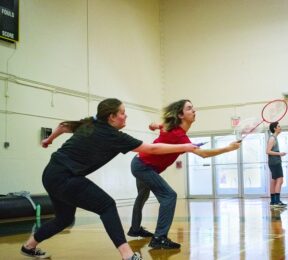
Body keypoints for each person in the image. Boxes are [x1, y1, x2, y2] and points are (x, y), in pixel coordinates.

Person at [20, 98, 198, 260]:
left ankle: (29, 246)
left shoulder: (90, 124)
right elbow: (152, 149)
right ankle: (128, 255)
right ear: (112, 117)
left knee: (63, 219)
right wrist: (186, 146)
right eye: (122, 113)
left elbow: (64, 126)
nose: (125, 115)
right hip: (66, 177)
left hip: (50, 174)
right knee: (107, 205)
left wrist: (48, 140)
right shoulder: (114, 136)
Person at [127, 99, 241, 249]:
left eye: (193, 108)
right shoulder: (179, 135)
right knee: (169, 196)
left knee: (142, 196)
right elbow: (204, 154)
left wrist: (155, 125)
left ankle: (135, 230)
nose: (194, 111)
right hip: (143, 166)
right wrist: (228, 148)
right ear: (181, 115)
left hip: (139, 162)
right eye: (189, 108)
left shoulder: (172, 128)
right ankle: (159, 238)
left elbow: (161, 126)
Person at [266, 122, 287, 208]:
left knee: (274, 181)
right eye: (278, 126)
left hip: (274, 162)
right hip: (275, 162)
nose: (280, 127)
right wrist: (280, 154)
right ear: (274, 128)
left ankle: (273, 201)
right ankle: (277, 201)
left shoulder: (274, 138)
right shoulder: (272, 138)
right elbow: (267, 151)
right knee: (280, 181)